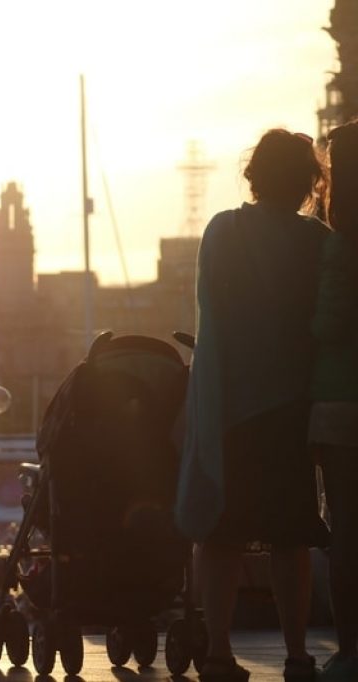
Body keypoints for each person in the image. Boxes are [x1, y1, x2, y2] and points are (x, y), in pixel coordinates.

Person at [176, 129, 330, 682]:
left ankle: (218, 651)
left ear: (254, 175)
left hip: (232, 408)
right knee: (292, 535)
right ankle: (296, 655)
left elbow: (210, 318)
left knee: (221, 534)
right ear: (308, 183)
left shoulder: (223, 230)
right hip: (292, 409)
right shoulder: (318, 241)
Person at [309, 120, 358, 681]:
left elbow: (327, 324)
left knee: (347, 530)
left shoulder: (342, 246)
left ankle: (350, 648)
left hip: (343, 407)